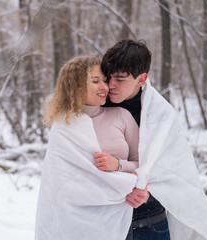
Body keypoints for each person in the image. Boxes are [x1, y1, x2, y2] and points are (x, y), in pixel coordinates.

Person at [94, 39, 207, 240]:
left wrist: (147, 192)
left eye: (120, 78)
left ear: (141, 79)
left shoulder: (161, 115)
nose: (111, 85)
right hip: (106, 221)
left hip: (149, 223)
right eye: (108, 77)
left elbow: (175, 174)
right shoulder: (95, 108)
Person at [35, 56, 143, 240]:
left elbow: (145, 164)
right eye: (95, 81)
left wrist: (117, 165)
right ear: (76, 85)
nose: (105, 87)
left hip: (119, 221)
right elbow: (58, 186)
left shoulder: (121, 116)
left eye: (105, 80)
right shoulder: (63, 127)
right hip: (75, 225)